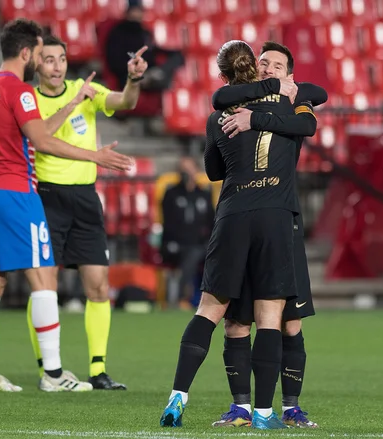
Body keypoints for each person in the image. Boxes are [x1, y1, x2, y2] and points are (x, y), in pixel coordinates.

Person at [0, 18, 133, 393]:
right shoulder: (19, 91)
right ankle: (53, 374)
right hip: (17, 192)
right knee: (44, 277)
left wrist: (3, 144)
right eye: (38, 52)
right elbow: (42, 140)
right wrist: (94, 156)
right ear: (25, 52)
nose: (42, 58)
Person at [160, 40, 318, 430]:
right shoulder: (291, 105)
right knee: (269, 316)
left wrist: (240, 122)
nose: (269, 69)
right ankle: (264, 412)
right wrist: (280, 95)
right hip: (275, 217)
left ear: (224, 73)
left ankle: (179, 396)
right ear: (256, 69)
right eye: (263, 64)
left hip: (232, 215)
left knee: (210, 309)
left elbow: (213, 169)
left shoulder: (219, 114)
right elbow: (310, 117)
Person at [210, 41, 327, 428]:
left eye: (277, 64)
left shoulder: (292, 101)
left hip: (282, 220)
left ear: (290, 73)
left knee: (289, 321)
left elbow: (310, 116)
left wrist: (256, 118)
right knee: (238, 321)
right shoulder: (238, 103)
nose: (269, 68)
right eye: (263, 63)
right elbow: (221, 97)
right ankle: (242, 407)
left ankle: (291, 406)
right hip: (245, 220)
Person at [25, 33, 148, 390]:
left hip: (84, 199)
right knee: (43, 288)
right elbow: (43, 140)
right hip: (47, 198)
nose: (57, 66)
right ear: (36, 63)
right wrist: (74, 101)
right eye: (49, 59)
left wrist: (133, 79)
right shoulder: (29, 100)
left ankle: (98, 370)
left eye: (61, 59)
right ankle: (48, 369)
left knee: (98, 286)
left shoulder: (84, 88)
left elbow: (124, 102)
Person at [160, 156, 215, 309]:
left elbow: (212, 221)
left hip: (200, 244)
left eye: (189, 169)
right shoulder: (171, 193)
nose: (186, 173)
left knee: (210, 252)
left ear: (196, 171)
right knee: (192, 253)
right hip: (175, 245)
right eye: (183, 169)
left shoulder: (204, 194)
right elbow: (168, 222)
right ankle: (181, 298)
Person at [105, 0, 184, 91]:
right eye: (135, 11)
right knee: (163, 81)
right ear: (128, 13)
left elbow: (151, 49)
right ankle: (152, 77)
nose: (138, 14)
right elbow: (119, 56)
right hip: (130, 73)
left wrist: (171, 52)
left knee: (177, 57)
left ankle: (157, 74)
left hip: (149, 70)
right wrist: (136, 62)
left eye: (140, 11)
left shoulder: (144, 31)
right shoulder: (118, 32)